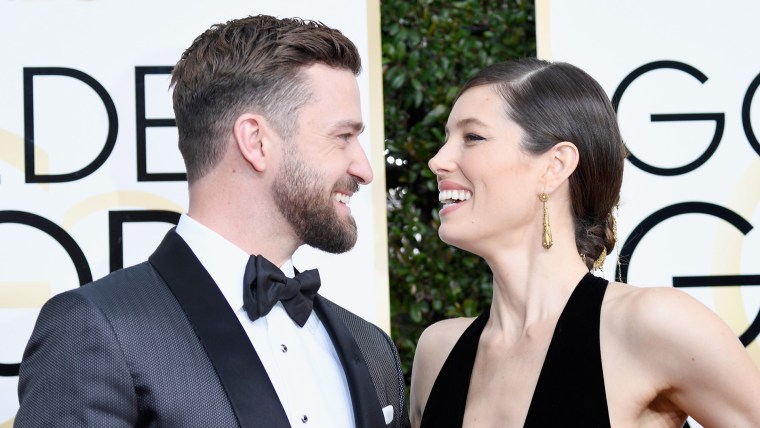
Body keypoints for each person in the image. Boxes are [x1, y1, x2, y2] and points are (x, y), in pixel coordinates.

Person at [16, 15, 408, 428]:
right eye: (343, 136)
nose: (364, 168)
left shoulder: (371, 348)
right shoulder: (98, 330)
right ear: (255, 141)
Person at [410, 58, 760, 427]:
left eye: (472, 137)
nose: (438, 160)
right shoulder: (438, 351)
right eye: (446, 138)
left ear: (555, 166)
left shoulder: (650, 325)